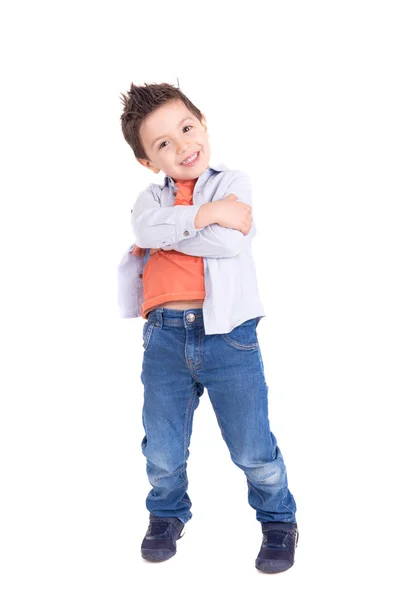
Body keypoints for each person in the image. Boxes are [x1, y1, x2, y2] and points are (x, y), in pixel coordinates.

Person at [118, 81, 299, 573]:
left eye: (186, 129)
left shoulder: (232, 182)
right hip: (164, 336)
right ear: (147, 160)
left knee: (251, 446)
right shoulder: (146, 198)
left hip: (229, 337)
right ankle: (166, 513)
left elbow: (226, 244)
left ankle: (278, 519)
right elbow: (143, 230)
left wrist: (173, 230)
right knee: (163, 447)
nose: (182, 147)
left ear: (203, 125)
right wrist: (205, 217)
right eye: (163, 145)